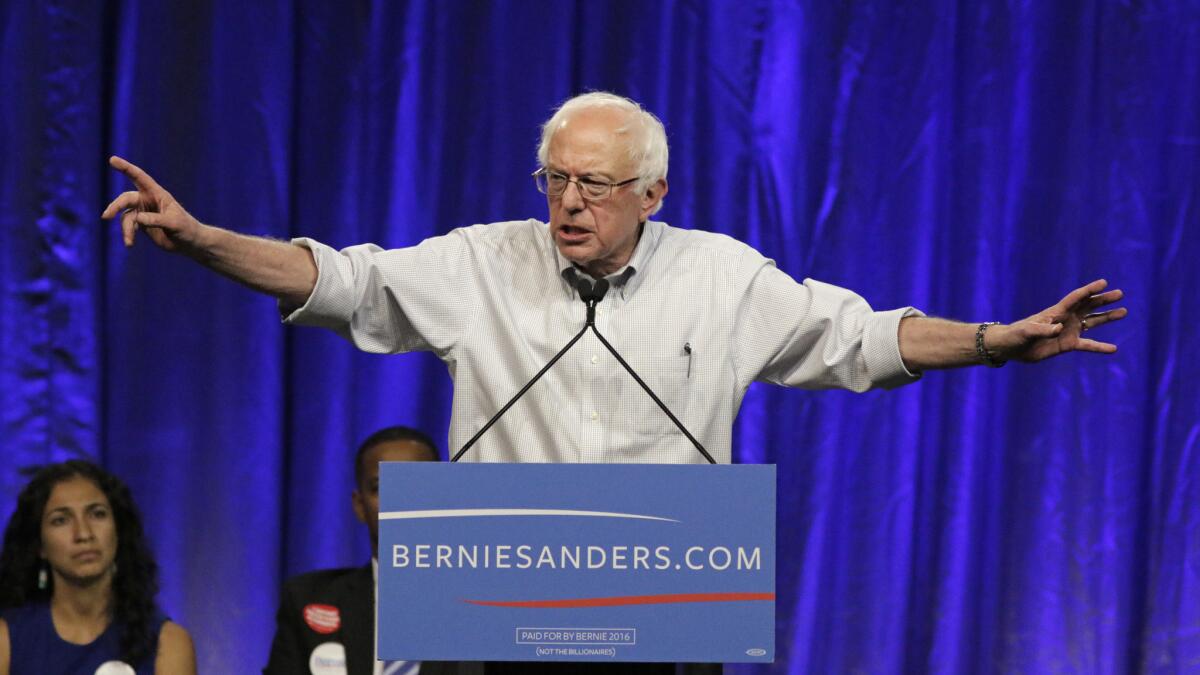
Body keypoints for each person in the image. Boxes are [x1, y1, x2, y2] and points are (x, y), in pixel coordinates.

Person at [101, 92, 1126, 463]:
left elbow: (859, 338)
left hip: (664, 603)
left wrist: (999, 340)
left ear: (655, 193)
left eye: (594, 184)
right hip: (497, 605)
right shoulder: (482, 262)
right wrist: (200, 239)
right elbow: (337, 280)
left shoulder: (723, 278)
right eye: (555, 180)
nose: (568, 204)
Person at [264, 426, 464, 675]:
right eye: (381, 487)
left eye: (417, 483)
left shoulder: (485, 606)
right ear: (359, 505)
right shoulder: (307, 600)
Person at [0, 460, 196, 675]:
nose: (84, 534)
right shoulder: (6, 640)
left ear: (118, 531)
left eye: (97, 514)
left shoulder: (168, 644)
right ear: (39, 546)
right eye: (61, 520)